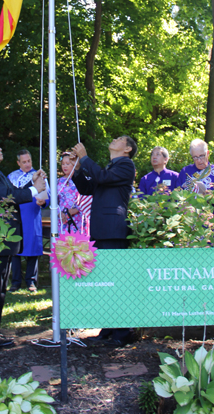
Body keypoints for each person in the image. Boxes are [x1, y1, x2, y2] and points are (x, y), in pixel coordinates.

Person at [0, 137, 47, 348]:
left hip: (1, 240)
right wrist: (34, 189)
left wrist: (33, 183)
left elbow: (14, 190)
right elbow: (6, 195)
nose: (0, 147)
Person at [71, 135, 137, 347]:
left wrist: (86, 158)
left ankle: (123, 330)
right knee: (107, 281)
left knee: (116, 281)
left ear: (127, 148)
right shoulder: (110, 168)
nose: (114, 139)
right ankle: (109, 326)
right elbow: (86, 188)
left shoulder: (126, 165)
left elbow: (101, 178)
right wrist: (78, 167)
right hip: (102, 229)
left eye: (120, 139)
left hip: (113, 230)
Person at [8, 150, 50, 293]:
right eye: (24, 162)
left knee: (33, 248)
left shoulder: (40, 175)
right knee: (15, 249)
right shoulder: (12, 176)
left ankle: (31, 281)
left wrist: (44, 201)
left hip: (32, 216)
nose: (27, 164)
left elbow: (47, 195)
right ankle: (15, 281)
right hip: (16, 216)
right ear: (18, 162)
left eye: (29, 161)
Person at [176, 139, 214, 228]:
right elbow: (178, 194)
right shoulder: (185, 172)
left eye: (202, 156)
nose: (199, 160)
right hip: (190, 223)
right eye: (195, 157)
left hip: (212, 222)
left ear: (208, 153)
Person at [57, 152, 82, 232]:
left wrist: (76, 210)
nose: (65, 166)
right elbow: (54, 201)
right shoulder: (58, 181)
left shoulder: (81, 180)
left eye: (68, 164)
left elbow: (86, 197)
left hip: (77, 217)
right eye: (63, 164)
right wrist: (59, 213)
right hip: (62, 218)